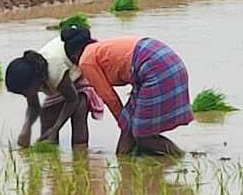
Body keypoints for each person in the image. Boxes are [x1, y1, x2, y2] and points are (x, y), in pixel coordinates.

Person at [61, 26, 193, 156]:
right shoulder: (97, 48)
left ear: (74, 56)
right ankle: (124, 163)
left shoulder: (86, 61)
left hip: (155, 68)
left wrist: (124, 123)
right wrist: (126, 125)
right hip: (166, 60)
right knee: (131, 129)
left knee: (142, 136)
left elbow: (109, 98)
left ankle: (181, 157)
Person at [4, 38, 107, 148]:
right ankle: (51, 152)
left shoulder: (53, 71)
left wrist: (56, 128)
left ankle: (80, 154)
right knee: (46, 116)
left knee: (79, 110)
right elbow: (33, 106)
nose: (25, 95)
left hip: (81, 66)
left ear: (35, 81)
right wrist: (26, 128)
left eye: (25, 92)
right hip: (64, 77)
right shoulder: (32, 74)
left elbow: (72, 99)